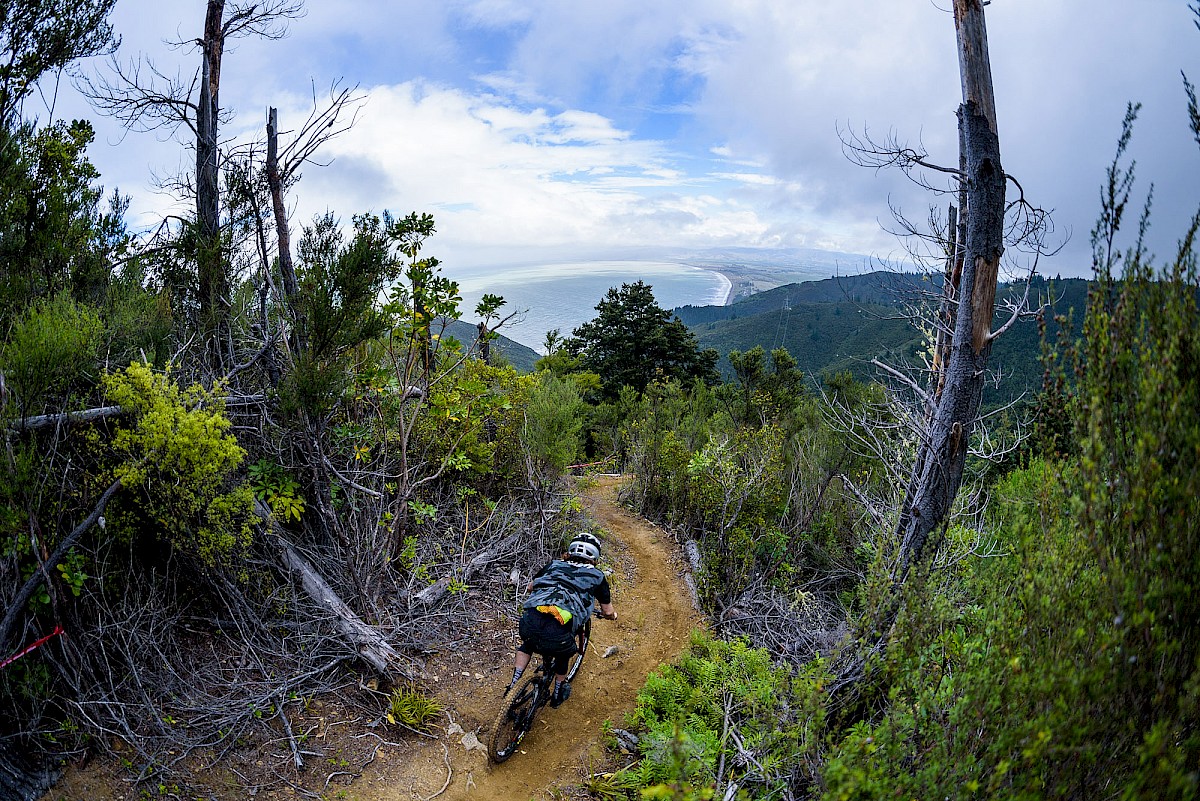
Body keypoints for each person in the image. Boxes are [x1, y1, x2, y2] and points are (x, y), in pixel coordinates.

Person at [505, 532, 617, 707]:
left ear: (570, 551)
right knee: (563, 653)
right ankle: (557, 695)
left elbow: (530, 587)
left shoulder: (554, 565)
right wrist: (612, 616)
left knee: (528, 643)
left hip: (529, 621)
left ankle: (513, 686)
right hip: (558, 634)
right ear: (595, 557)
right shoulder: (597, 576)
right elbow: (607, 610)